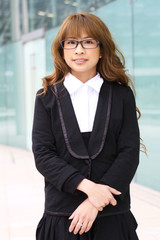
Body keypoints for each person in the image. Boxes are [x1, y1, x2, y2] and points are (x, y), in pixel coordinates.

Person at [32, 12, 140, 240]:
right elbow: (43, 154)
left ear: (102, 50)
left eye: (88, 42)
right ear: (62, 50)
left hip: (112, 217)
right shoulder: (46, 97)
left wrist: (95, 203)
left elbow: (129, 153)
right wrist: (90, 189)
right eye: (71, 43)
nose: (79, 50)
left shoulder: (121, 95)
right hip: (62, 217)